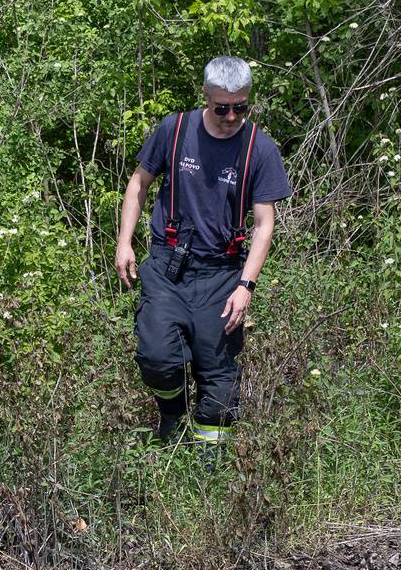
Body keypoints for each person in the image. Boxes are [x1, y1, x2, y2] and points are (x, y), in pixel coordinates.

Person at [115, 56, 292, 455]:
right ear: (205, 98)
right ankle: (172, 415)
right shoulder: (175, 130)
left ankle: (209, 472)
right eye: (222, 107)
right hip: (167, 266)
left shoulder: (259, 148)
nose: (231, 117)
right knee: (158, 356)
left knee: (219, 384)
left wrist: (246, 285)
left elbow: (265, 223)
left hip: (223, 274)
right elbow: (138, 184)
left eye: (240, 107)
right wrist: (125, 242)